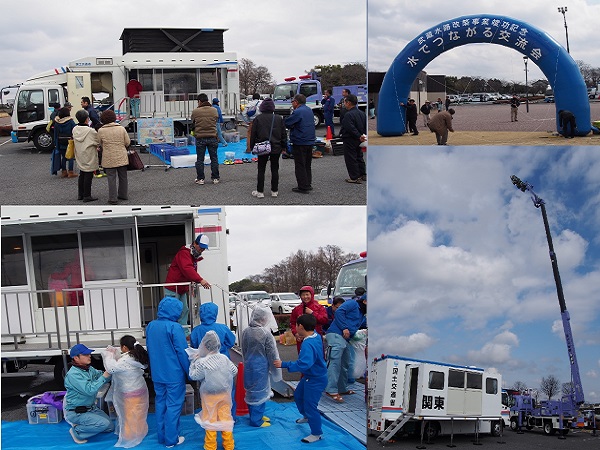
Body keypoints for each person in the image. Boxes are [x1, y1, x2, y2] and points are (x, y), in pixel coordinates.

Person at [274, 314, 327, 444]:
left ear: (301, 326)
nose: (295, 328)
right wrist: (302, 337)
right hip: (311, 376)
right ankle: (307, 416)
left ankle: (316, 433)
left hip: (315, 379)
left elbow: (304, 364)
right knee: (298, 395)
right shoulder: (315, 336)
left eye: (296, 326)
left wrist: (284, 364)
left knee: (310, 406)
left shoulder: (308, 343)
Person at [146, 297, 190, 448]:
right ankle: (171, 439)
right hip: (174, 374)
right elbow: (182, 352)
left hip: (158, 373)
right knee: (173, 405)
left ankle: (162, 436)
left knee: (160, 403)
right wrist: (190, 371)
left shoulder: (151, 326)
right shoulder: (175, 327)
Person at [189, 331, 237, 450]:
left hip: (209, 396)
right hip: (224, 394)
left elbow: (194, 376)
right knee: (225, 418)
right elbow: (234, 371)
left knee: (210, 420)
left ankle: (210, 446)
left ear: (204, 346)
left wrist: (193, 362)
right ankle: (229, 445)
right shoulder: (224, 358)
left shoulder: (202, 362)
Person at [102, 335, 149, 448]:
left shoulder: (125, 360)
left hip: (129, 393)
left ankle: (129, 436)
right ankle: (139, 431)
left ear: (124, 347)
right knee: (138, 413)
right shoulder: (136, 356)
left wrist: (108, 355)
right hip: (140, 390)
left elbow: (111, 368)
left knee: (128, 415)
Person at [241, 306, 282, 428]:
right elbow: (272, 353)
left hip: (249, 364)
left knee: (251, 391)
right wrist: (277, 370)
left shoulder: (245, 332)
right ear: (263, 318)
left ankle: (255, 415)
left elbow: (244, 349)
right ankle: (256, 420)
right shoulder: (265, 333)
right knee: (260, 392)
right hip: (261, 366)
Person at [64, 343, 113, 444]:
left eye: (89, 354)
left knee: (109, 427)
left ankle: (86, 425)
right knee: (103, 424)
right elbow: (89, 390)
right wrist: (105, 376)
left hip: (91, 408)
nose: (89, 356)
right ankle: (77, 431)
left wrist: (113, 368)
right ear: (76, 358)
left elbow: (101, 375)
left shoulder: (88, 368)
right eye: (85, 354)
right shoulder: (73, 375)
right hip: (77, 412)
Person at [164, 234, 212, 336]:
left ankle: (184, 333)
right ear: (195, 243)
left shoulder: (191, 255)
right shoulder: (184, 253)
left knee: (184, 310)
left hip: (180, 288)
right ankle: (170, 333)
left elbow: (188, 271)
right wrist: (200, 280)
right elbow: (187, 269)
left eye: (204, 248)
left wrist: (191, 285)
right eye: (201, 247)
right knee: (171, 311)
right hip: (173, 288)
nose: (202, 250)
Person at [324, 294, 367, 403]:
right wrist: (344, 328)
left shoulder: (362, 314)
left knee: (345, 363)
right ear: (365, 301)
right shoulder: (353, 303)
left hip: (345, 339)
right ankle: (331, 389)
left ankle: (342, 388)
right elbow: (339, 312)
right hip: (336, 334)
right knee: (335, 361)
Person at [249, 97, 287, 199]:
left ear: (262, 108)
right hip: (276, 147)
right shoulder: (279, 118)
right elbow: (284, 134)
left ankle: (260, 191)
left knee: (261, 169)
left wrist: (252, 147)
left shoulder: (258, 119)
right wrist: (284, 147)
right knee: (275, 169)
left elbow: (253, 134)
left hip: (262, 147)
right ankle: (274, 190)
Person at [284, 94, 316, 194]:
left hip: (300, 140)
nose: (292, 103)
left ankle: (302, 186)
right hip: (310, 140)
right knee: (307, 164)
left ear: (296, 102)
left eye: (292, 101)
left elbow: (288, 123)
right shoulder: (309, 110)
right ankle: (308, 183)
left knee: (300, 164)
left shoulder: (298, 112)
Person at [97, 109, 130, 204]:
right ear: (114, 118)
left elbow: (99, 143)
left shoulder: (101, 130)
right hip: (121, 155)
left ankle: (112, 198)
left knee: (111, 178)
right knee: (123, 176)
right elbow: (127, 142)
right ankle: (123, 195)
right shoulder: (121, 128)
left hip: (108, 157)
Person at [191, 93, 220, 185]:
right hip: (212, 137)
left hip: (200, 138)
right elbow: (216, 120)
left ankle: (201, 179)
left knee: (200, 159)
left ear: (199, 101)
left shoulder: (195, 111)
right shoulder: (214, 110)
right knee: (214, 158)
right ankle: (215, 178)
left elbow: (193, 122)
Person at [290, 286, 328, 354]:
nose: (305, 297)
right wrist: (296, 333)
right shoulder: (297, 309)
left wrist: (313, 313)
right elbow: (292, 323)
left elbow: (324, 320)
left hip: (315, 338)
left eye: (307, 294)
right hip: (302, 340)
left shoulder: (319, 307)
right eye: (303, 295)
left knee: (317, 357)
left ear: (312, 295)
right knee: (304, 358)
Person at [72, 109, 99, 202]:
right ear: (87, 119)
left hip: (79, 153)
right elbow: (97, 141)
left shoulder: (75, 129)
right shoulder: (90, 131)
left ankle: (81, 194)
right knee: (88, 174)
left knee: (82, 174)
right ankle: (87, 195)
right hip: (89, 154)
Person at [340, 94, 367, 184]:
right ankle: (363, 174)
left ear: (348, 103)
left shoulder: (348, 115)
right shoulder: (362, 113)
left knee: (351, 158)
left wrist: (358, 135)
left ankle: (355, 177)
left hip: (350, 138)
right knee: (359, 156)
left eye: (345, 102)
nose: (344, 104)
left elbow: (350, 128)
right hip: (360, 139)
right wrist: (362, 136)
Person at [53, 107, 77, 178]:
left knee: (63, 157)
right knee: (70, 157)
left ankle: (64, 172)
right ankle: (71, 172)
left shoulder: (57, 122)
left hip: (60, 142)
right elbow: (74, 130)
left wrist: (55, 143)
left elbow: (55, 134)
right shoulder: (70, 121)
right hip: (69, 141)